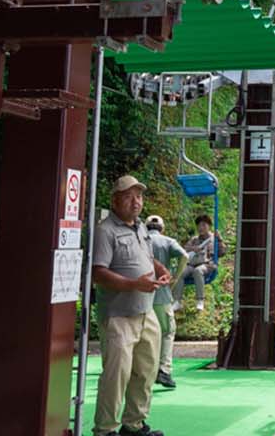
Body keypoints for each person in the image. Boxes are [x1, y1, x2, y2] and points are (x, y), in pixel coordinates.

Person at [92, 175, 171, 436]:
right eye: (128, 196)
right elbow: (98, 273)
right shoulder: (105, 231)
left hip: (146, 311)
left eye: (139, 196)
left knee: (146, 372)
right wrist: (134, 284)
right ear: (115, 200)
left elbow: (146, 257)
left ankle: (134, 425)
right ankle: (105, 430)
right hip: (118, 316)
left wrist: (160, 269)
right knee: (116, 375)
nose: (136, 202)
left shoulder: (141, 228)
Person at [144, 215, 187, 390]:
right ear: (162, 228)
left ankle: (141, 370)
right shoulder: (168, 241)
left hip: (138, 294)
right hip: (161, 294)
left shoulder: (139, 240)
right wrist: (175, 277)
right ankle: (164, 369)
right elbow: (184, 255)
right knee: (167, 331)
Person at [175, 214, 222, 312]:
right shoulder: (194, 239)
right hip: (192, 264)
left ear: (209, 226)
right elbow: (184, 249)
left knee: (198, 271)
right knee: (181, 272)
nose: (201, 228)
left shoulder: (213, 239)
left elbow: (222, 252)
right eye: (199, 225)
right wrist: (193, 248)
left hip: (207, 264)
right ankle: (177, 301)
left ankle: (200, 300)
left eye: (204, 225)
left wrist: (220, 239)